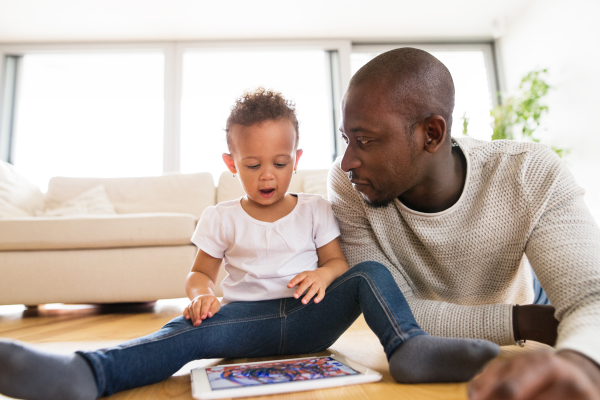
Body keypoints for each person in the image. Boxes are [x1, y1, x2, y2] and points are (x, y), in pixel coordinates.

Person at [0, 88, 500, 400]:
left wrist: (323, 276)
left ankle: (409, 349)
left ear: (296, 156)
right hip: (244, 325)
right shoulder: (219, 217)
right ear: (230, 162)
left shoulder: (313, 209)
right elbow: (200, 274)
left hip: (310, 319)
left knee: (370, 274)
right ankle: (89, 374)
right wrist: (200, 295)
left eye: (280, 164)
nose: (267, 176)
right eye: (252, 165)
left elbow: (336, 262)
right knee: (183, 331)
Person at [329, 47, 600, 399]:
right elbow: (393, 312)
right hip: (494, 332)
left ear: (432, 134)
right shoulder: (350, 187)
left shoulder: (531, 173)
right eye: (346, 139)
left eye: (365, 141)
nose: (348, 160)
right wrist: (526, 321)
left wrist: (581, 363)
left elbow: (590, 299)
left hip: (515, 349)